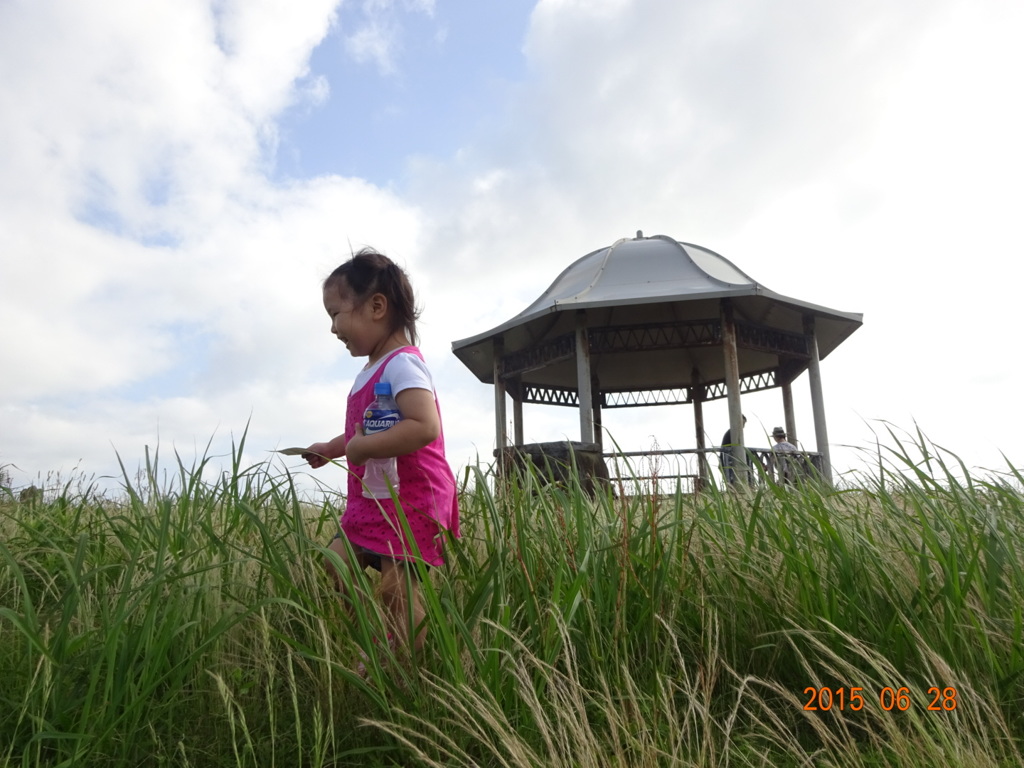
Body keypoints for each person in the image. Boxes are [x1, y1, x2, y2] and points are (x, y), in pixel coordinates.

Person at [303, 247, 460, 660]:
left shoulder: (403, 364)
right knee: (334, 567)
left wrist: (360, 448)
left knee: (396, 591)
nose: (333, 328)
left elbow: (424, 426)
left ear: (376, 307)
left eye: (336, 314)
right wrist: (333, 447)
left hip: (411, 496)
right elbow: (366, 429)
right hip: (375, 496)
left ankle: (402, 669)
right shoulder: (369, 370)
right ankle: (379, 644)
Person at [719, 415, 747, 484]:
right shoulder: (733, 433)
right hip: (729, 461)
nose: (743, 426)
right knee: (732, 481)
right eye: (742, 424)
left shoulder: (732, 432)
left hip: (728, 460)